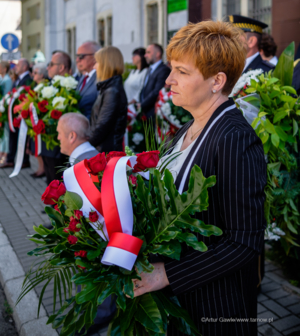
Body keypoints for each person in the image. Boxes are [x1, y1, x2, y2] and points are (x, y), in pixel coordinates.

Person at [132, 21, 266, 336]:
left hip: (216, 308)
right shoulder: (190, 126)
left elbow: (244, 242)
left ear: (217, 81)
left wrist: (165, 276)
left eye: (182, 71)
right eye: (171, 68)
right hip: (184, 303)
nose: (168, 79)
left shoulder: (234, 137)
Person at [90, 46, 127, 152]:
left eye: (97, 62)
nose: (94, 67)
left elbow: (102, 127)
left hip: (107, 152)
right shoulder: (109, 88)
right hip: (105, 149)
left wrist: (85, 146)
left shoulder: (112, 91)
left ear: (106, 64)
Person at [42, 51, 72, 184]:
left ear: (61, 68)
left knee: (58, 185)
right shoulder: (50, 85)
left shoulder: (69, 88)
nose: (48, 67)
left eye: (51, 64)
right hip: (47, 144)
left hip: (59, 148)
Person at [0, 59, 32, 169]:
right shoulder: (18, 78)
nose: (15, 67)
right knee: (14, 137)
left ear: (24, 67)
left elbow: (27, 95)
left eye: (18, 65)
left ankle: (24, 161)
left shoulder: (28, 79)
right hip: (14, 113)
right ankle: (11, 159)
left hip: (21, 113)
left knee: (22, 137)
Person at [139, 43, 170, 119]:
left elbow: (157, 91)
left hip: (153, 112)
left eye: (148, 52)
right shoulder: (150, 69)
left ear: (158, 54)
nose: (145, 55)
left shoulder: (164, 70)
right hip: (145, 111)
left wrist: (142, 104)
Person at [29, 63, 48, 178]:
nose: (33, 75)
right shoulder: (35, 86)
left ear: (41, 75)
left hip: (40, 120)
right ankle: (40, 167)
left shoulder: (45, 86)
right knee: (35, 144)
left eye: (35, 73)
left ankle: (42, 168)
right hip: (34, 120)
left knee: (40, 144)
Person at [76, 41, 100, 119]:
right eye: (77, 56)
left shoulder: (100, 78)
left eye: (81, 56)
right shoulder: (84, 77)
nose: (77, 59)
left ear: (94, 57)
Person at [0, 61, 13, 164]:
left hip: (5, 108)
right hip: (1, 107)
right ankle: (2, 151)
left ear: (5, 69)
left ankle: (5, 152)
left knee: (6, 132)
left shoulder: (7, 80)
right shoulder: (2, 79)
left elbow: (6, 95)